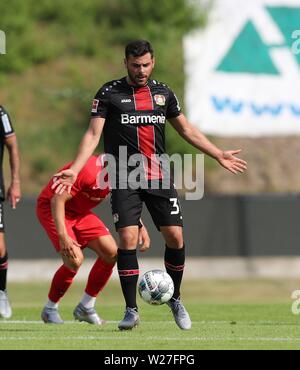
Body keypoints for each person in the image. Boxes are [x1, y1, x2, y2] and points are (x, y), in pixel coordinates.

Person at [52, 40, 247, 330]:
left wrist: (217, 153)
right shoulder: (109, 93)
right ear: (126, 63)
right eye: (135, 65)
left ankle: (176, 299)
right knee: (127, 240)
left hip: (158, 176)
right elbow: (93, 135)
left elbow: (186, 129)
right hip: (122, 176)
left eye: (145, 64)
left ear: (152, 62)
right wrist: (75, 169)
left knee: (175, 237)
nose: (140, 70)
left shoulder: (163, 93)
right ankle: (131, 310)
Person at [37, 154, 150, 324]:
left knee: (111, 253)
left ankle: (86, 307)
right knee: (74, 260)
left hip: (79, 213)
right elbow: (57, 200)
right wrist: (63, 236)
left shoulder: (118, 174)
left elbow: (124, 202)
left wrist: (139, 225)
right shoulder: (89, 170)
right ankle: (50, 309)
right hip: (53, 208)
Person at [0, 105, 21, 319]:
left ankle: (1, 291)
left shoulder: (1, 112)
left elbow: (12, 146)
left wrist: (15, 182)